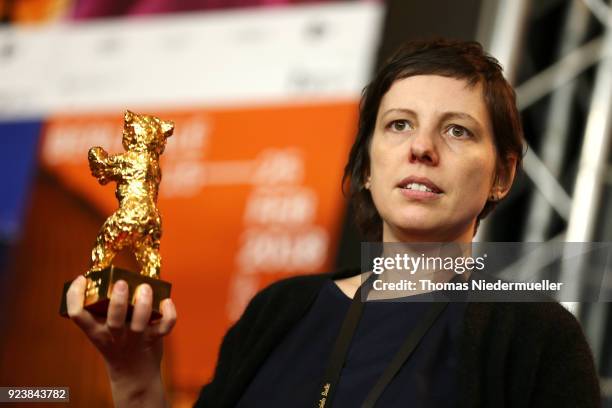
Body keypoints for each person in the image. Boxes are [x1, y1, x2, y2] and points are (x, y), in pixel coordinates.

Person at [66, 38, 601, 407]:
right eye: (398, 125)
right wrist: (133, 374)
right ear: (367, 165)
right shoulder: (281, 311)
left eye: (457, 131)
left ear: (502, 175)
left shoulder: (534, 336)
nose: (421, 148)